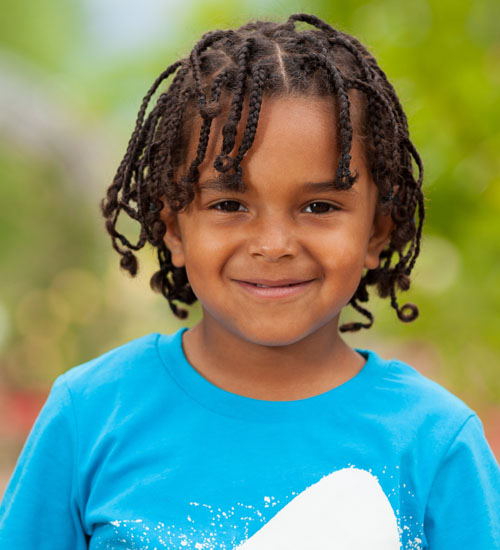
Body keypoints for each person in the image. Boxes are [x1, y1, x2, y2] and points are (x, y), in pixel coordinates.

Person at [0, 12, 499, 550]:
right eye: (230, 204)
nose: (274, 243)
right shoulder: (91, 414)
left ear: (377, 232)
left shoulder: (436, 443)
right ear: (173, 228)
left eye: (319, 205)